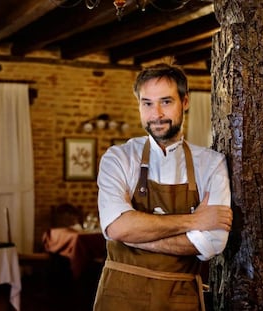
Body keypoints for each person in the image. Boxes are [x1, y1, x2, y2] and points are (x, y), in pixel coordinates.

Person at [93, 63, 233, 311]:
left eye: (166, 102)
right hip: (120, 295)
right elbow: (117, 227)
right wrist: (193, 221)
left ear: (185, 102)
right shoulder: (118, 158)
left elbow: (212, 242)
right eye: (147, 103)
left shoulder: (211, 164)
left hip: (180, 298)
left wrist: (135, 237)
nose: (156, 114)